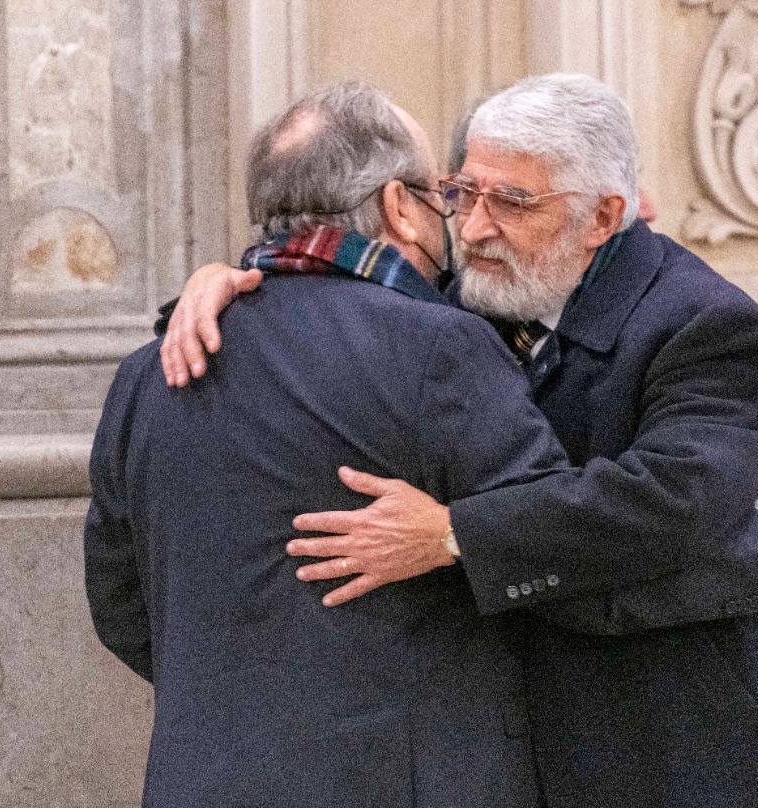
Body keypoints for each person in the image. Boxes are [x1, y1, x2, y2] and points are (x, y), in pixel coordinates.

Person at [160, 74, 758, 807]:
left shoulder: (706, 326)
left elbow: (662, 510)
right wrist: (226, 281)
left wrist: (453, 536)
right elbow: (326, 305)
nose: (474, 227)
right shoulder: (474, 299)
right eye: (462, 194)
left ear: (603, 216)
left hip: (692, 754)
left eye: (512, 201)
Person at [86, 81, 572, 808]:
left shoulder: (149, 371)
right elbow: (556, 541)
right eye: (441, 195)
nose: (460, 224)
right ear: (397, 206)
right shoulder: (440, 349)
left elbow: (120, 603)